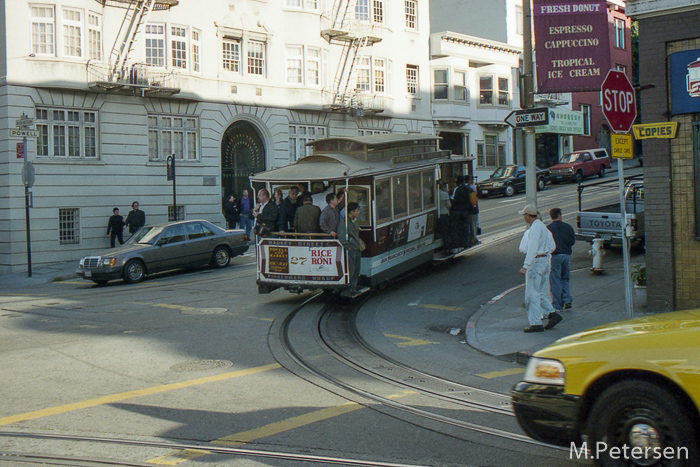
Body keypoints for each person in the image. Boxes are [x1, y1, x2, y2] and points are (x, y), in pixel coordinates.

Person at [519, 204, 560, 333]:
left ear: (527, 216)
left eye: (524, 215)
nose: (524, 217)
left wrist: (526, 266)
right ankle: (552, 314)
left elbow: (532, 248)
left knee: (532, 294)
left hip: (535, 263)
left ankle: (536, 323)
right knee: (541, 292)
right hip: (545, 260)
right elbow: (552, 246)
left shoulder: (534, 229)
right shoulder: (544, 227)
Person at [548, 207, 576, 312]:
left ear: (551, 217)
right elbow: (572, 241)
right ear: (560, 216)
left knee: (555, 280)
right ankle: (567, 299)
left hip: (555, 256)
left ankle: (557, 304)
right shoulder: (568, 227)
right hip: (566, 255)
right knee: (565, 278)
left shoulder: (549, 229)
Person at [338, 202, 362, 296]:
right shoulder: (344, 222)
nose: (358, 212)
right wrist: (349, 246)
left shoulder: (355, 220)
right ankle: (351, 289)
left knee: (357, 269)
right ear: (351, 212)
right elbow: (341, 236)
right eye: (357, 211)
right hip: (352, 248)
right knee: (351, 269)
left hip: (357, 247)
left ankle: (354, 288)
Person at [448, 175, 470, 253]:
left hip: (457, 211)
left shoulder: (456, 189)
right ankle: (464, 243)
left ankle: (456, 245)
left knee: (456, 229)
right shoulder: (468, 188)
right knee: (464, 228)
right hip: (465, 211)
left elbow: (453, 199)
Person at [467, 175, 480, 246]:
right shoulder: (472, 188)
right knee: (473, 223)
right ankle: (474, 237)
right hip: (473, 209)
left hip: (469, 209)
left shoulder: (469, 187)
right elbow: (476, 197)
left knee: (471, 224)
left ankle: (472, 237)